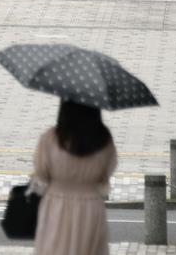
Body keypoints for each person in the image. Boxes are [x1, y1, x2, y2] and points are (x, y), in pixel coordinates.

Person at [30, 100, 117, 255]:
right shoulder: (104, 138)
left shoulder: (51, 137)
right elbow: (106, 173)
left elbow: (41, 173)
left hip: (56, 202)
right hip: (91, 205)